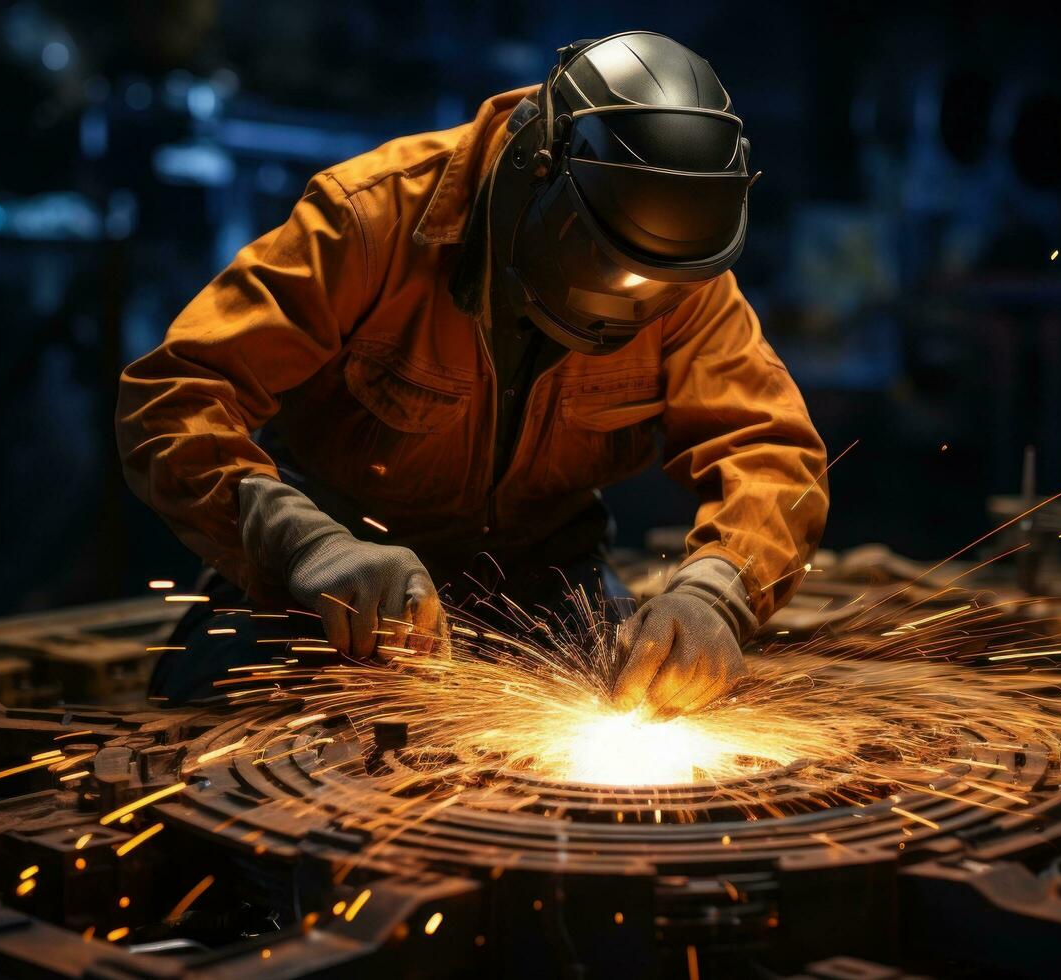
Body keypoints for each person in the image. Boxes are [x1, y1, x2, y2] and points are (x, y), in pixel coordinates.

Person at [116, 31, 828, 716]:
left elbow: (770, 455)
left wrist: (715, 594)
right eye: (611, 266)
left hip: (544, 591)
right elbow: (175, 397)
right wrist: (304, 543)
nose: (635, 297)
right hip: (331, 591)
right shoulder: (372, 221)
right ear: (537, 174)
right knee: (218, 727)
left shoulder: (680, 278)